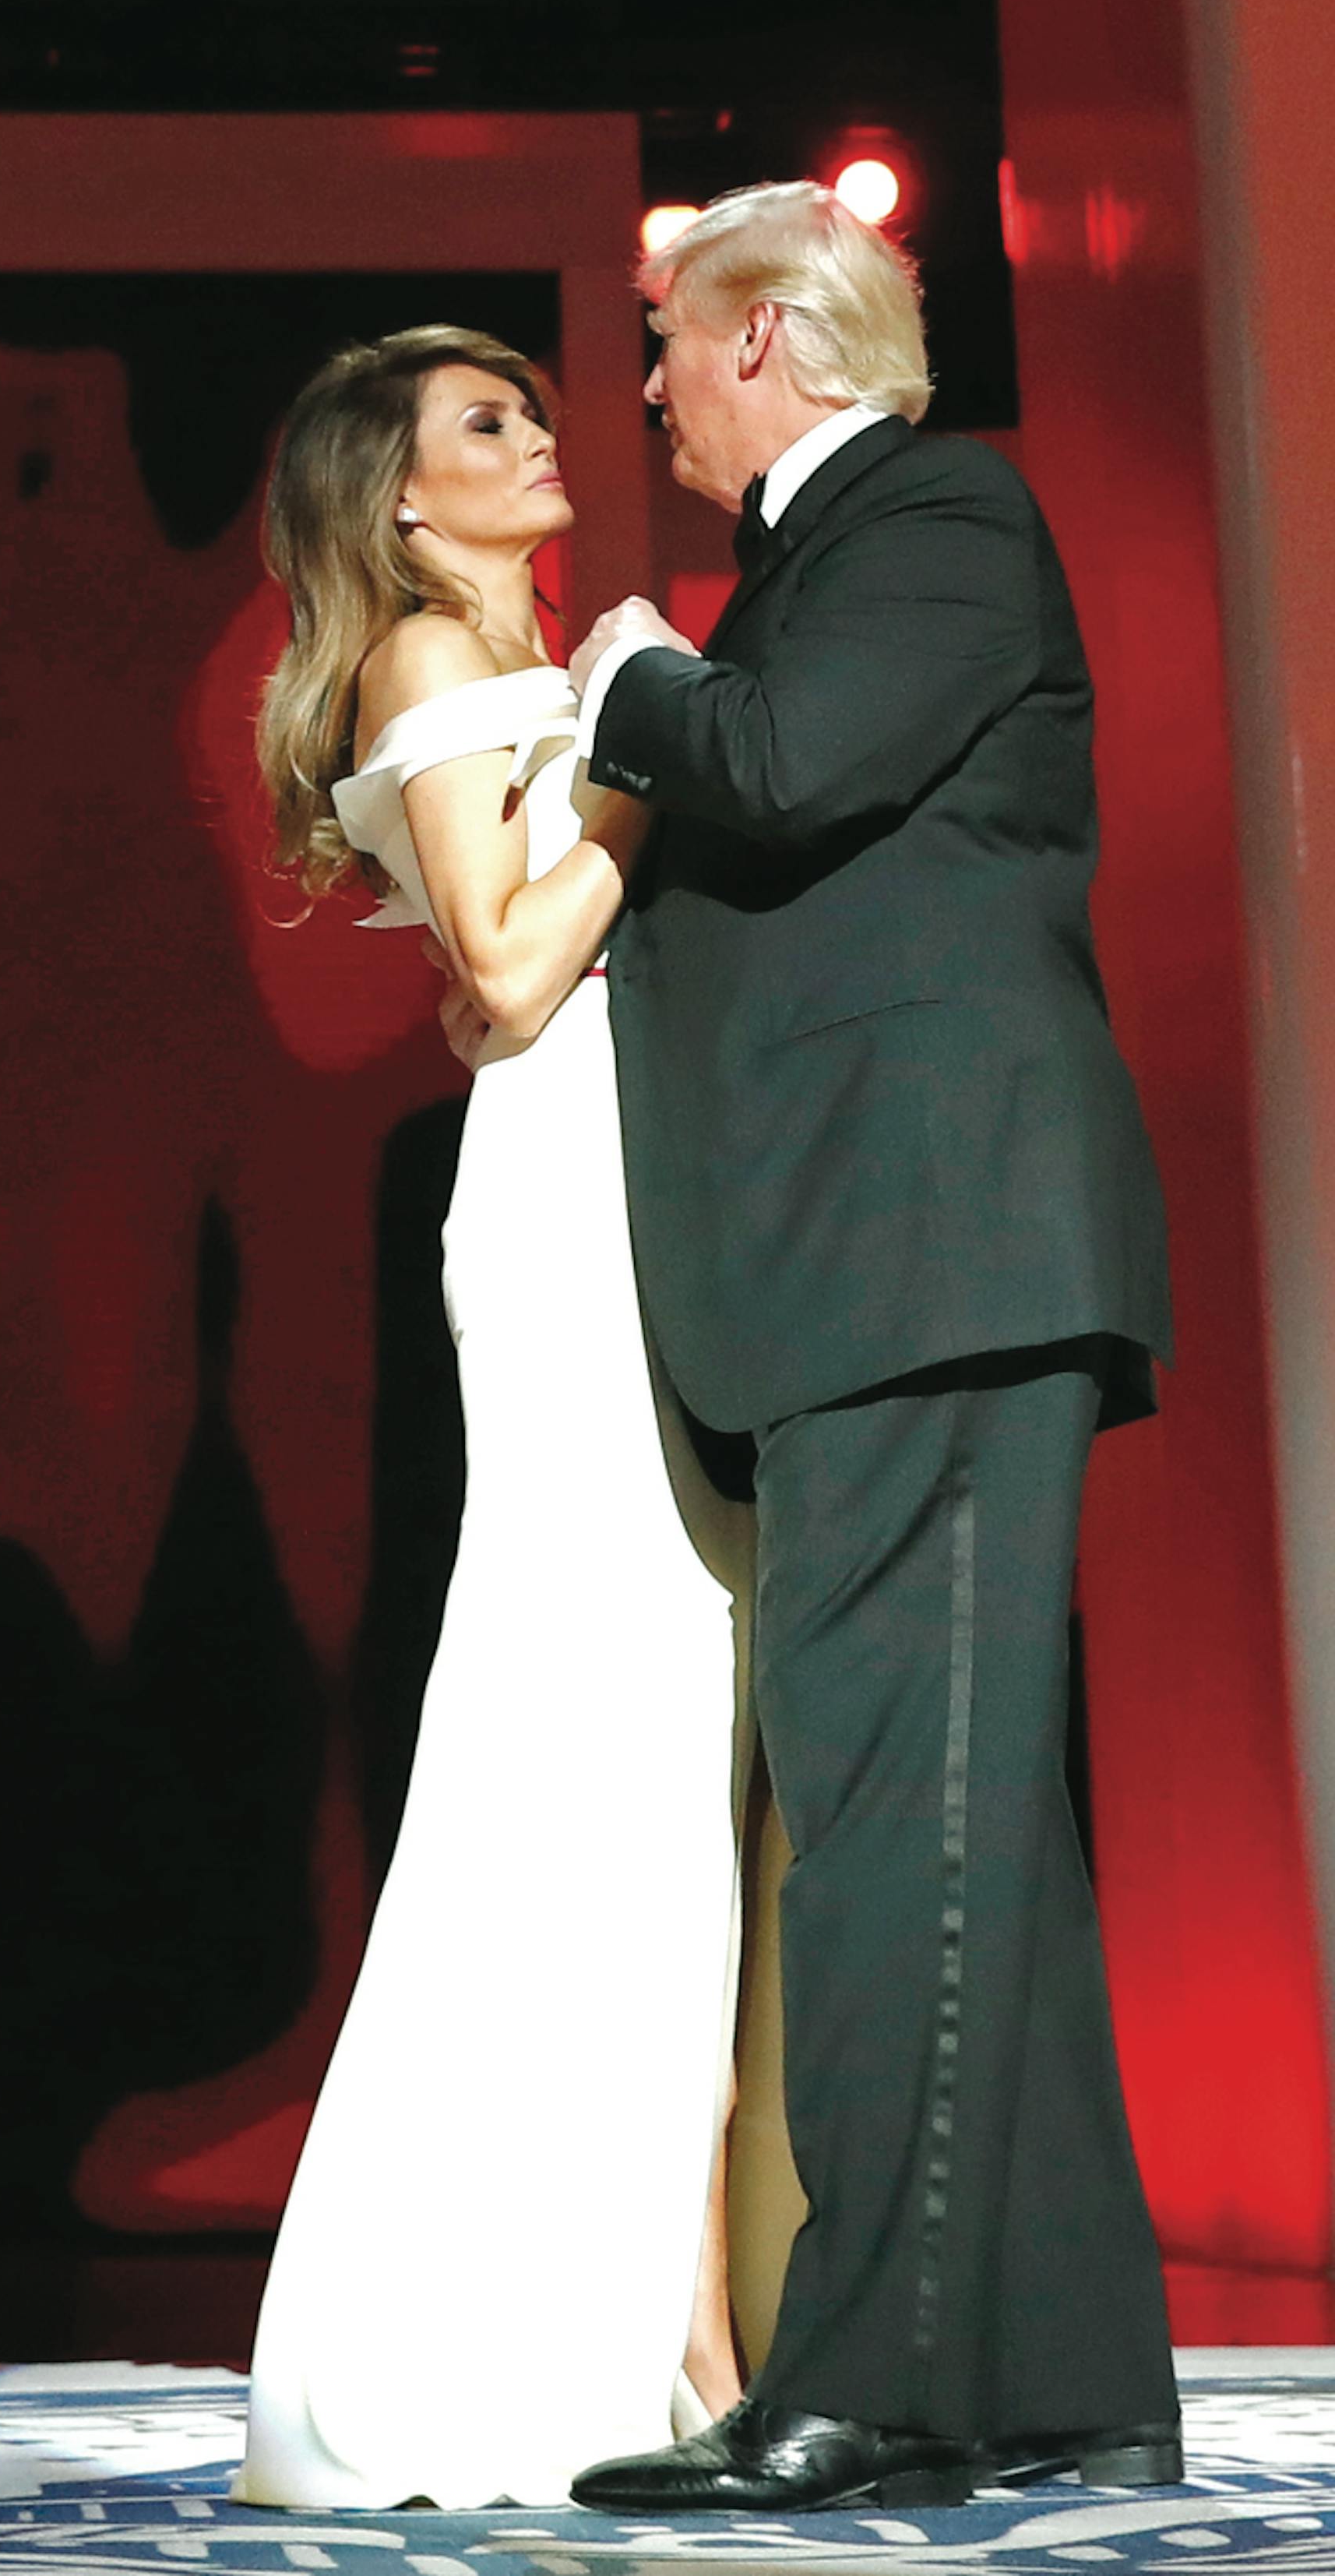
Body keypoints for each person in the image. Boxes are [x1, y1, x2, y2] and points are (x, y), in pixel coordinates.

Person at [559, 181, 1181, 2518]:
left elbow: (794, 761)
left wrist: (628, 668)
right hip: (890, 1251)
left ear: (766, 339)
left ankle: (883, 2383)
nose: (643, 392)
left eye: (667, 349)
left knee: (890, 1820)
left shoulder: (932, 508)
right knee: (960, 1822)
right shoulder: (840, 555)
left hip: (930, 1246)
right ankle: (1063, 2367)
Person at [238, 323, 773, 2511]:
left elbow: (504, 962)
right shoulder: (436, 677)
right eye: (485, 424)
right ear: (393, 498)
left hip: (622, 1181)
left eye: (533, 408)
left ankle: (680, 2324)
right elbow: (517, 966)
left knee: (666, 1743)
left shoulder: (524, 674)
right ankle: (547, 2331)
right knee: (586, 1727)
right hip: (566, 1208)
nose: (541, 433)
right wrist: (649, 770)